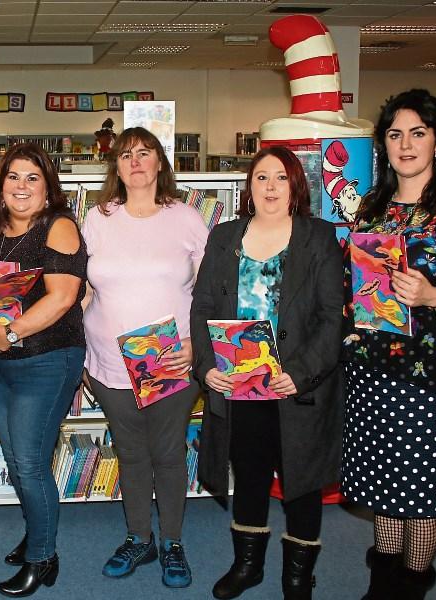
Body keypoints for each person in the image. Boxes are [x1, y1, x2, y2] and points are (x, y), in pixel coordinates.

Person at [190, 146, 344, 600]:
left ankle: (297, 576)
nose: (271, 187)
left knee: (301, 481)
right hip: (239, 385)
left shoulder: (319, 237)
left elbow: (331, 319)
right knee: (251, 473)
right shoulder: (224, 237)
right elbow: (200, 309)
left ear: (296, 185)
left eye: (281, 177)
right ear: (249, 187)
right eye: (261, 178)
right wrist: (206, 367)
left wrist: (299, 373)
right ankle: (247, 565)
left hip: (297, 386)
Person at [340, 89, 436, 600]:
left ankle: (409, 589)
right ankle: (381, 583)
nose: (405, 144)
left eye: (417, 133)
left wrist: (434, 294)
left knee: (421, 490)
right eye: (394, 134)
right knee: (384, 483)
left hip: (428, 372)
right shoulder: (373, 204)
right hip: (371, 366)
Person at [81, 126, 206, 588]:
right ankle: (139, 538)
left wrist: (200, 345)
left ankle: (172, 543)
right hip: (109, 362)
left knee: (169, 455)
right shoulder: (97, 217)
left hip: (170, 359)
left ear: (159, 162)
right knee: (130, 454)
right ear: (116, 166)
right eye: (126, 154)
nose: (135, 161)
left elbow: (213, 289)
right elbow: (84, 286)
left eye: (145, 153)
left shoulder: (186, 217)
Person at [0, 142, 87, 597]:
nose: (22, 186)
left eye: (32, 178)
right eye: (13, 177)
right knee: (19, 463)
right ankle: (38, 531)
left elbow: (62, 297)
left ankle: (44, 558)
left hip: (46, 362)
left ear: (47, 187)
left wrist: (11, 333)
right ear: (0, 187)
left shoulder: (59, 228)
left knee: (29, 462)